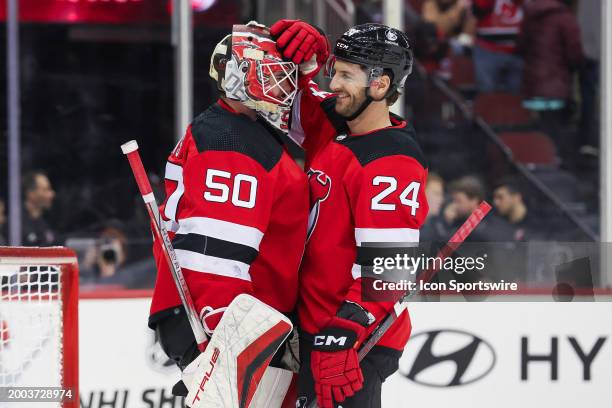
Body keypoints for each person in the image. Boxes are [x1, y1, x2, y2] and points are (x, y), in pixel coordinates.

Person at [271, 20, 429, 408]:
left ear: (380, 84)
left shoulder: (391, 161)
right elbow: (300, 104)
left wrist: (345, 328)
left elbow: (389, 267)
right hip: (312, 329)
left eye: (346, 74)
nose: (334, 83)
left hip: (349, 339)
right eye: (334, 70)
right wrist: (304, 60)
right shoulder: (343, 127)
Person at [148, 22, 309, 397]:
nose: (284, 84)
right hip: (223, 320)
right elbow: (212, 257)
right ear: (237, 76)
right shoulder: (231, 141)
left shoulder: (242, 130)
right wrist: (228, 338)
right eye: (271, 73)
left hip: (244, 318)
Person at [517, 0, 584, 168]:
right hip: (556, 86)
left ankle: (537, 161)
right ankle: (557, 164)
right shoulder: (564, 18)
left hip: (532, 84)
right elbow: (574, 52)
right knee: (557, 129)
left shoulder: (529, 15)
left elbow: (521, 45)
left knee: (539, 127)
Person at [472, 0, 524, 93]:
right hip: (487, 49)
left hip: (518, 51)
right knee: (487, 93)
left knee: (516, 96)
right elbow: (478, 8)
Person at [21, 171, 56, 246]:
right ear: (31, 193)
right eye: (45, 190)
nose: (52, 194)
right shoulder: (16, 225)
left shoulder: (48, 222)